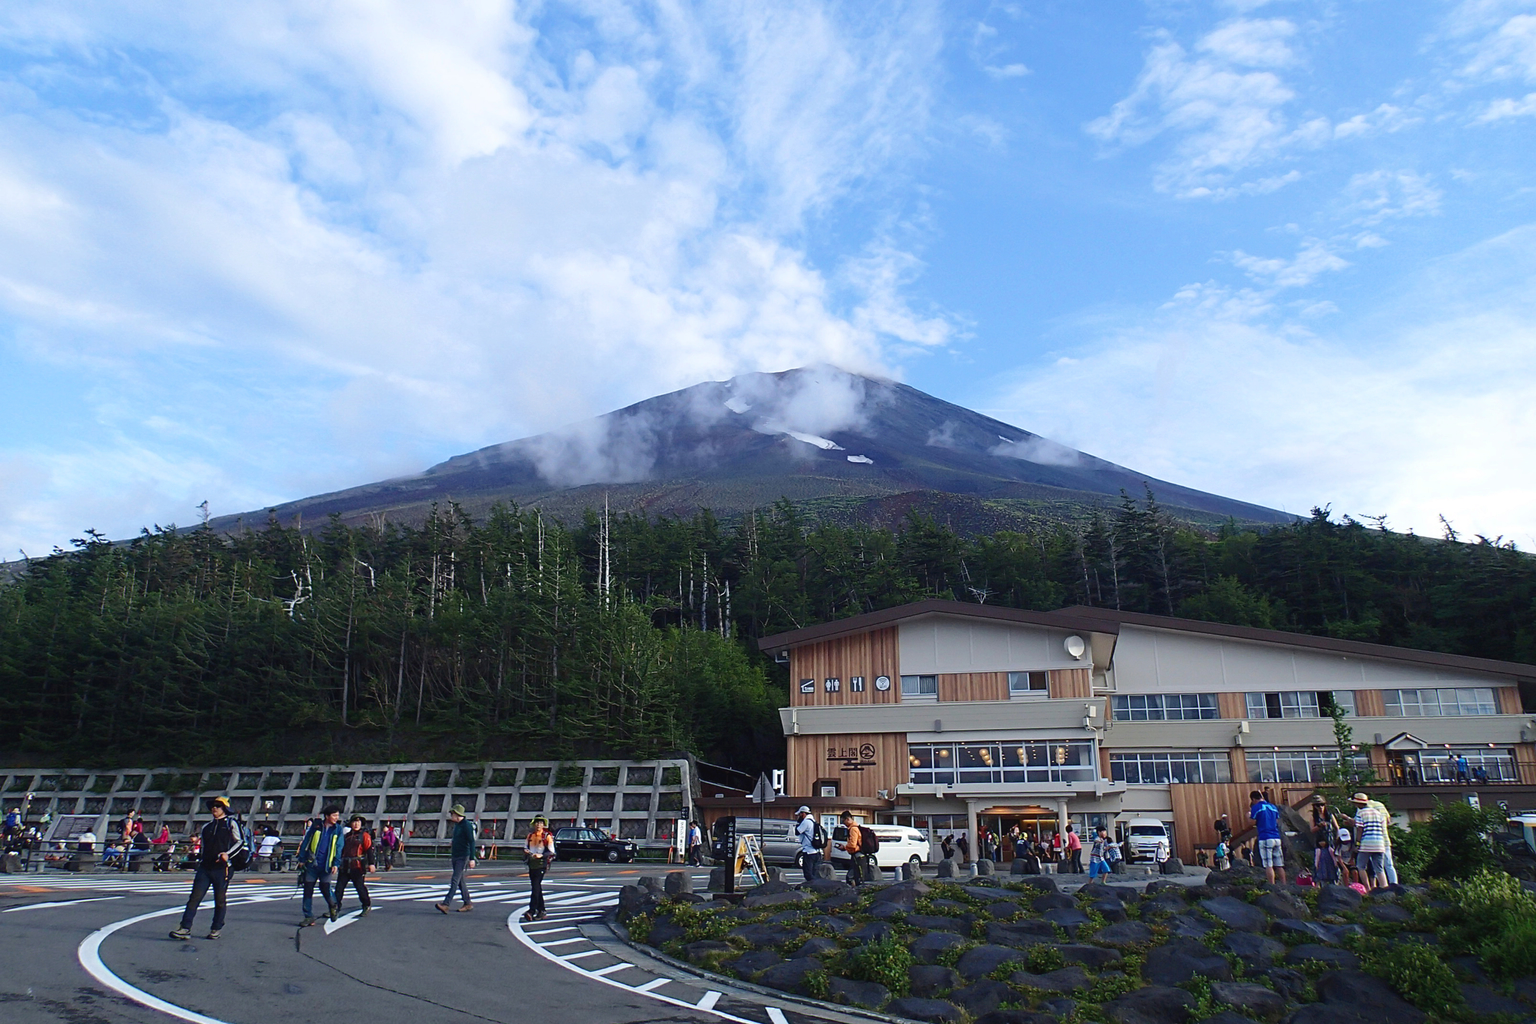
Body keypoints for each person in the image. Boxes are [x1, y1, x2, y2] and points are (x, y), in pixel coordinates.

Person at [168, 796, 245, 940]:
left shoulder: (231, 823)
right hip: (205, 867)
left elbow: (240, 842)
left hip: (223, 868)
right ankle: (185, 928)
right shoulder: (206, 827)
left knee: (220, 899)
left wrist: (227, 855)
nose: (214, 808)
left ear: (224, 809)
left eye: (218, 805)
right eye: (212, 806)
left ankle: (216, 928)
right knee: (194, 898)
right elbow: (203, 846)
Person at [298, 805, 345, 926]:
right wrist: (302, 858)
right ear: (327, 816)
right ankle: (308, 916)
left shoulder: (338, 829)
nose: (336, 818)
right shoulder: (316, 826)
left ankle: (333, 905)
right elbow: (306, 841)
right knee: (308, 889)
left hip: (327, 865)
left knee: (325, 888)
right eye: (334, 815)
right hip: (312, 864)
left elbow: (339, 847)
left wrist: (336, 863)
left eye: (337, 815)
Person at [436, 804, 476, 913]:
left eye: (452, 814)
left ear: (457, 814)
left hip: (463, 856)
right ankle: (467, 903)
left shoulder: (467, 825)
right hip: (456, 855)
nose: (451, 816)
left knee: (455, 879)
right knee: (460, 881)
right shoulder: (457, 825)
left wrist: (472, 858)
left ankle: (446, 903)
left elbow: (471, 841)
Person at [334, 815, 373, 916]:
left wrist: (371, 863)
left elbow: (369, 850)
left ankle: (366, 905)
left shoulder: (364, 835)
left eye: (358, 822)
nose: (356, 824)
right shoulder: (346, 836)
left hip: (358, 866)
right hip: (345, 865)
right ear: (350, 824)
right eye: (354, 822)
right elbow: (340, 850)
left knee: (360, 887)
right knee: (339, 888)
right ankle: (335, 907)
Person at [1351, 792, 1390, 890]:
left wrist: (1358, 843)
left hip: (1366, 843)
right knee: (1379, 869)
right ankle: (1384, 888)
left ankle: (1368, 888)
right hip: (1380, 843)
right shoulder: (1378, 812)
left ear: (1358, 804)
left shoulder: (1360, 813)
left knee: (1361, 866)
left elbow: (1360, 829)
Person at [1249, 789, 1286, 885]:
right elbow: (1277, 821)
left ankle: (1272, 885)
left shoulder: (1256, 807)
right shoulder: (1272, 807)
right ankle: (1284, 885)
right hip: (1276, 836)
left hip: (1265, 837)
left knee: (1268, 865)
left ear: (1253, 799)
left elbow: (1252, 822)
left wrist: (1248, 816)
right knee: (1279, 865)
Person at [523, 816, 555, 921]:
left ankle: (531, 911)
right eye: (537, 823)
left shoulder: (547, 836)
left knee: (535, 887)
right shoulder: (530, 836)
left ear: (543, 825)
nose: (538, 825)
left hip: (542, 863)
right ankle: (542, 910)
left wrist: (541, 855)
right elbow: (525, 847)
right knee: (536, 887)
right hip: (532, 863)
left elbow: (551, 852)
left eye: (541, 823)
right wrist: (527, 851)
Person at [835, 811, 865, 885]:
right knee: (855, 876)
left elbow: (853, 845)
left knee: (853, 877)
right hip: (858, 855)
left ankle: (854, 892)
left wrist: (844, 847)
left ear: (847, 819)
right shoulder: (855, 828)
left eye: (843, 821)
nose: (843, 823)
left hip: (857, 855)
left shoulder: (853, 829)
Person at [794, 806, 822, 883]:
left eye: (799, 815)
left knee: (808, 874)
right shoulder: (813, 821)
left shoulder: (806, 822)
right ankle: (816, 887)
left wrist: (798, 823)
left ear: (803, 814)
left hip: (809, 852)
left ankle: (812, 887)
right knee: (814, 873)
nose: (798, 816)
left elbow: (797, 832)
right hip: (817, 851)